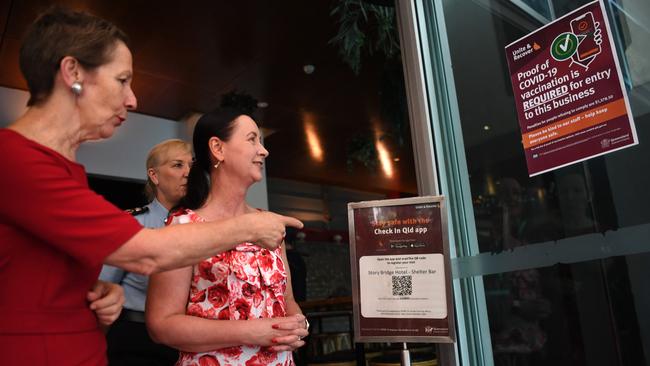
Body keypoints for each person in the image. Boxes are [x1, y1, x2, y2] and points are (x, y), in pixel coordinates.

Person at [0, 7, 302, 365]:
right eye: (122, 80)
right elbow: (147, 252)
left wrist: (98, 294)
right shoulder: (15, 160)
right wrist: (248, 227)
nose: (132, 99)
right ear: (73, 73)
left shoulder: (65, 170)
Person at [146, 109, 308, 366]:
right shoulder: (183, 226)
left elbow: (287, 300)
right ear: (217, 148)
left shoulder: (269, 225)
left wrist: (297, 325)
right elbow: (161, 325)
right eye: (252, 139)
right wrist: (253, 331)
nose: (263, 151)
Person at [100, 139, 193, 365]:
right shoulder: (132, 223)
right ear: (154, 175)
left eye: (191, 166)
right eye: (178, 165)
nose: (188, 173)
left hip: (188, 337)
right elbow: (102, 288)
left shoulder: (200, 225)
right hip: (137, 337)